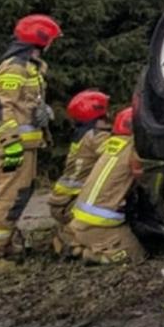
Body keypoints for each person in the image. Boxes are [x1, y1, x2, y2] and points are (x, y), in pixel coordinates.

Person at [0, 14, 61, 263]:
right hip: (12, 147)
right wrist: (11, 146)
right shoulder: (14, 68)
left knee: (19, 195)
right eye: (51, 40)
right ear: (41, 40)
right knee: (9, 197)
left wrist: (40, 112)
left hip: (23, 146)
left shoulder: (30, 68)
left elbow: (21, 103)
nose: (52, 45)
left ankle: (3, 245)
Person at [66, 107, 147, 264]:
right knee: (135, 255)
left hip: (79, 219)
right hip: (99, 224)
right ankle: (92, 255)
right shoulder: (133, 149)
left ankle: (77, 244)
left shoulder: (111, 144)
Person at [48, 90, 113, 257]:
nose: (109, 115)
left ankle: (70, 231)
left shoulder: (82, 134)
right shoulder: (97, 137)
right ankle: (70, 237)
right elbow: (117, 157)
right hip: (72, 204)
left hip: (62, 202)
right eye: (106, 111)